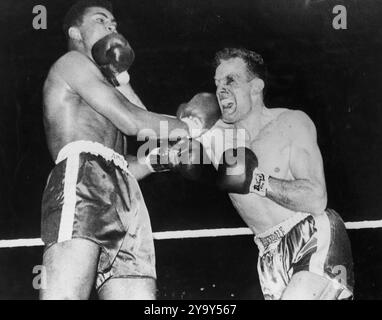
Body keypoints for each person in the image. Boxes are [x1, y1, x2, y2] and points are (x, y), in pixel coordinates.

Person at [40, 0, 219, 300]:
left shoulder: (107, 81)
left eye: (114, 23)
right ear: (75, 32)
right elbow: (132, 120)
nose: (111, 26)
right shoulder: (72, 63)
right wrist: (188, 128)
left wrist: (156, 160)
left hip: (124, 190)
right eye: (100, 19)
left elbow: (124, 161)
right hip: (83, 177)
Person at [153, 48, 354, 300]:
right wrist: (121, 80)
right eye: (217, 83)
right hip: (268, 254)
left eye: (231, 80)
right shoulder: (213, 135)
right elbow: (147, 126)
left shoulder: (291, 122)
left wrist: (257, 180)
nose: (221, 90)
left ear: (256, 86)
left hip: (310, 235)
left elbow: (316, 198)